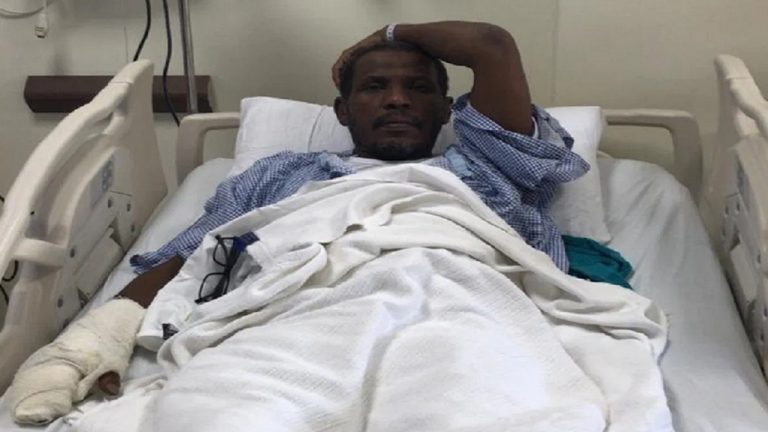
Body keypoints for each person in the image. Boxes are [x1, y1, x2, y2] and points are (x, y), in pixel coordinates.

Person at [24, 21, 590, 407]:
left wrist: (387, 35)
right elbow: (192, 255)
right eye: (375, 87)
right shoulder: (280, 175)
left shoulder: (487, 165)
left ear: (447, 109)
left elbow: (491, 45)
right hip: (295, 315)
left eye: (418, 88)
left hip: (462, 309)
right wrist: (93, 339)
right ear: (342, 111)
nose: (397, 99)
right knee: (219, 410)